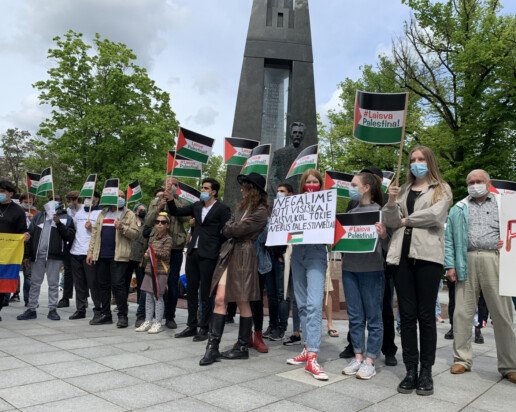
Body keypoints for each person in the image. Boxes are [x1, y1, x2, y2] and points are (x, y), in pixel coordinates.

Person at [383, 145, 452, 396]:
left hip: (428, 257)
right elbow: (390, 222)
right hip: (401, 256)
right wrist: (391, 204)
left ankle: (426, 371)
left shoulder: (441, 189)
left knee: (426, 316)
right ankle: (410, 368)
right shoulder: (401, 190)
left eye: (421, 158)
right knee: (407, 315)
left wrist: (406, 219)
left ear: (429, 161)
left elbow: (435, 216)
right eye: (413, 159)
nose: (416, 163)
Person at [445, 169, 516, 384]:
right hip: (465, 260)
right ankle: (462, 359)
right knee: (462, 313)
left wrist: (509, 245)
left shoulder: (505, 204)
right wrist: (450, 265)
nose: (475, 184)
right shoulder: (458, 208)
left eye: (479, 181)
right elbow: (448, 239)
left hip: (495, 259)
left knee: (503, 314)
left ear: (488, 182)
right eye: (471, 182)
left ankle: (509, 365)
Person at [199, 173, 269, 365]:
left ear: (252, 189)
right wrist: (231, 226)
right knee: (220, 298)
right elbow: (228, 226)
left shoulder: (261, 211)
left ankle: (242, 346)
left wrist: (231, 227)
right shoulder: (242, 207)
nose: (241, 189)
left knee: (242, 301)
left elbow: (234, 229)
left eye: (244, 186)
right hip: (230, 253)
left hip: (245, 256)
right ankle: (212, 348)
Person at [340, 166, 398, 366]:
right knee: (355, 317)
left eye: (354, 185)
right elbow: (341, 243)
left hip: (372, 271)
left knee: (374, 317)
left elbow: (389, 245)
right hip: (349, 270)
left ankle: (371, 359)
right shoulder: (349, 213)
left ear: (365, 188)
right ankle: (357, 355)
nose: (351, 188)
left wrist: (383, 235)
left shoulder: (380, 213)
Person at [167, 178, 231, 341]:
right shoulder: (196, 206)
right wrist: (170, 200)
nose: (202, 190)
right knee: (191, 291)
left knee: (206, 293)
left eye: (205, 188)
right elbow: (176, 212)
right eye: (202, 187)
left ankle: (205, 327)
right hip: (193, 253)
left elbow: (226, 232)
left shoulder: (222, 208)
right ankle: (191, 325)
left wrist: (216, 248)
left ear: (214, 192)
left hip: (209, 255)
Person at [286, 169, 329, 381]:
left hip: (316, 253)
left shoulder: (326, 203)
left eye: (315, 182)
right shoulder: (295, 203)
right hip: (298, 252)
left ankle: (313, 354)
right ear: (303, 184)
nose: (311, 184)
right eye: (308, 182)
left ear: (320, 185)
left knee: (313, 304)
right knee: (301, 304)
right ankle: (306, 347)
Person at [86, 190, 139, 328]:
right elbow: (95, 234)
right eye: (118, 196)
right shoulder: (103, 213)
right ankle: (106, 315)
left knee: (118, 286)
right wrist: (90, 252)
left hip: (119, 257)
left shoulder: (129, 214)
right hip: (101, 255)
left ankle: (122, 316)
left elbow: (135, 234)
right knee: (103, 285)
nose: (120, 198)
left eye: (122, 197)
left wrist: (122, 227)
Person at [17, 198, 76, 321]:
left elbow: (70, 235)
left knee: (53, 283)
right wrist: (27, 255)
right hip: (37, 255)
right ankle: (31, 309)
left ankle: (52, 309)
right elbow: (30, 235)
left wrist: (59, 223)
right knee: (34, 283)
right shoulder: (38, 217)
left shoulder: (66, 218)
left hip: (55, 256)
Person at [147, 178, 189, 330]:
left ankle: (170, 316)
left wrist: (172, 201)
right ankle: (150, 315)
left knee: (172, 283)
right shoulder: (155, 201)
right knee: (154, 281)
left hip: (175, 248)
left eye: (174, 185)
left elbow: (185, 218)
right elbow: (148, 220)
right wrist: (159, 206)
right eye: (168, 184)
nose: (170, 186)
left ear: (177, 188)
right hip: (157, 246)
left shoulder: (182, 202)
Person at [266, 183, 295, 341]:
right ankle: (272, 323)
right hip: (270, 255)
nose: (279, 193)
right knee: (270, 294)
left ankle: (281, 326)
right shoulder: (272, 210)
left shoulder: (293, 211)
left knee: (282, 294)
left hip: (283, 256)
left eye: (282, 191)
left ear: (290, 194)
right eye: (277, 191)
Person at [136, 212, 173, 334]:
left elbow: (166, 254)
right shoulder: (152, 238)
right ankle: (148, 321)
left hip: (161, 271)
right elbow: (149, 253)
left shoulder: (168, 239)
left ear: (167, 225)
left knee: (158, 296)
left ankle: (158, 322)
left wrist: (153, 253)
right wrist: (147, 255)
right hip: (149, 270)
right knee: (148, 297)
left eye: (163, 222)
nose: (159, 224)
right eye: (157, 222)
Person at [68, 192, 102, 320]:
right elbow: (74, 229)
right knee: (79, 283)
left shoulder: (100, 213)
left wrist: (92, 228)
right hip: (75, 252)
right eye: (87, 197)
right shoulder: (80, 212)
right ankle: (80, 309)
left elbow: (101, 233)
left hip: (90, 253)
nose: (89, 200)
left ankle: (98, 309)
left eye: (92, 198)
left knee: (93, 283)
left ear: (97, 200)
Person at [0, 180, 28, 321]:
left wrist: (25, 236)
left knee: (2, 282)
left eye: (3, 191)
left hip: (7, 254)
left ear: (10, 193)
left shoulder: (18, 211)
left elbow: (22, 231)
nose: (0, 194)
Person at [268, 122, 306, 200]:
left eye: (300, 133)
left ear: (303, 136)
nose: (297, 135)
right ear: (290, 134)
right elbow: (272, 177)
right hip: (284, 199)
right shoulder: (279, 153)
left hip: (304, 198)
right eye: (295, 132)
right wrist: (282, 192)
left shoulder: (308, 154)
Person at [12, 192, 38, 305]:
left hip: (29, 247)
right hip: (15, 245)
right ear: (21, 201)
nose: (28, 204)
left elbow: (39, 230)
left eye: (30, 203)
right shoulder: (15, 211)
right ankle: (12, 294)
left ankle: (29, 299)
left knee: (28, 274)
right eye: (25, 202)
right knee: (13, 271)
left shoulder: (37, 213)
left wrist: (33, 220)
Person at [57, 191, 82, 308]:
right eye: (67, 201)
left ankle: (83, 298)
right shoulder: (67, 212)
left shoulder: (84, 211)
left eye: (70, 200)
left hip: (81, 245)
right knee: (68, 272)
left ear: (76, 199)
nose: (69, 203)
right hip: (69, 244)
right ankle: (65, 298)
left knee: (82, 274)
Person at [127, 203, 147, 327]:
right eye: (140, 210)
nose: (142, 211)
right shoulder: (131, 223)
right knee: (124, 283)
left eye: (144, 210)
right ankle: (122, 306)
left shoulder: (147, 224)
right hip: (128, 257)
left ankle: (141, 309)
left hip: (140, 258)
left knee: (141, 285)